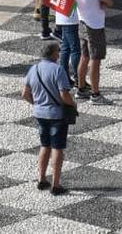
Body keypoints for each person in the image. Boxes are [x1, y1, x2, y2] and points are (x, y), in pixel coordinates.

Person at [22, 41, 76, 195]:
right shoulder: (58, 70)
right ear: (53, 54)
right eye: (58, 51)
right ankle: (56, 184)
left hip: (39, 114)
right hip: (56, 115)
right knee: (57, 148)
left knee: (44, 145)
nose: (59, 54)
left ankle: (41, 179)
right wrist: (73, 104)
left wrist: (37, 104)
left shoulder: (34, 69)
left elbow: (24, 93)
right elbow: (63, 95)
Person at [73, 0, 111, 101]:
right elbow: (109, 1)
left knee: (85, 57)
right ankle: (95, 95)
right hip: (94, 27)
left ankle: (81, 89)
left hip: (82, 23)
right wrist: (104, 4)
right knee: (95, 60)